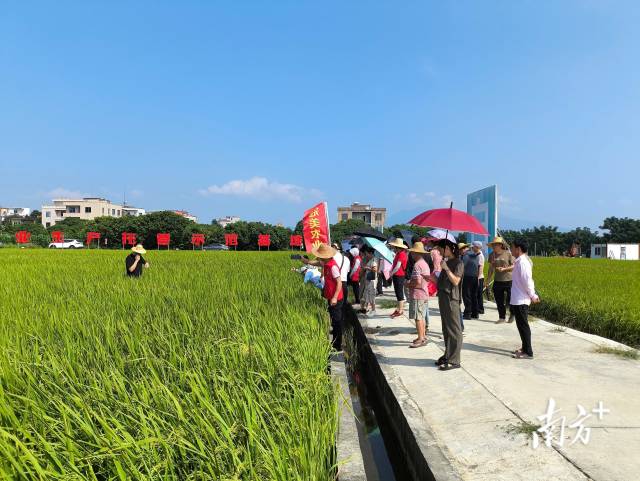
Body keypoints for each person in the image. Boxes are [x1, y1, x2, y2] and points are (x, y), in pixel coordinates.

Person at [431, 239, 464, 370]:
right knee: (446, 328)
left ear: (448, 249)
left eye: (440, 249)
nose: (439, 252)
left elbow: (455, 281)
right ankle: (448, 354)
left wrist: (446, 268)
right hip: (443, 297)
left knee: (454, 330)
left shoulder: (458, 263)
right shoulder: (446, 262)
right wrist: (432, 278)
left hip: (451, 299)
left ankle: (455, 360)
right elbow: (443, 280)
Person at [510, 240, 540, 359]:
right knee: (520, 325)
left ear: (518, 249)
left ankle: (528, 352)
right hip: (517, 299)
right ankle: (524, 347)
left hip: (522, 299)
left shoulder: (523, 263)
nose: (511, 250)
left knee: (523, 326)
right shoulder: (518, 262)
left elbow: (527, 281)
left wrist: (533, 296)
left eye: (512, 247)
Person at [312, 243, 345, 351]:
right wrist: (306, 261)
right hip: (330, 296)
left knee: (337, 322)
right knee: (334, 319)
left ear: (325, 256)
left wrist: (335, 297)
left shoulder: (332, 266)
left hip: (336, 298)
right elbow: (318, 263)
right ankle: (335, 341)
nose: (319, 257)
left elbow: (339, 283)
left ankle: (337, 345)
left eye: (320, 255)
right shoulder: (326, 263)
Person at [407, 242, 430, 348]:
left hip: (418, 294)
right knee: (422, 316)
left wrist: (407, 284)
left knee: (418, 317)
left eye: (412, 252)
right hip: (424, 293)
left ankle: (421, 338)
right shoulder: (424, 263)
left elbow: (417, 282)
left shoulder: (417, 265)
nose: (411, 254)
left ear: (416, 253)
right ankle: (423, 336)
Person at [487, 236, 515, 324]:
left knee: (511, 300)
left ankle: (512, 314)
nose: (494, 246)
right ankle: (502, 317)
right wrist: (487, 280)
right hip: (498, 280)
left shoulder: (508, 253)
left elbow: (514, 266)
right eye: (493, 245)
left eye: (496, 245)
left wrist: (504, 269)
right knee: (499, 300)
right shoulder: (492, 255)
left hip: (509, 280)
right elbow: (491, 269)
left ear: (500, 245)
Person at [388, 238, 409, 318]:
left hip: (399, 275)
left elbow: (398, 266)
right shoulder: (398, 253)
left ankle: (400, 310)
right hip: (397, 275)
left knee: (399, 293)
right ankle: (398, 308)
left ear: (398, 247)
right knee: (397, 292)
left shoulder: (402, 254)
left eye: (394, 247)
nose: (393, 248)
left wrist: (391, 273)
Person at [461, 242, 481, 320]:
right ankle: (475, 313)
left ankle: (467, 313)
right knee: (474, 295)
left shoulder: (466, 255)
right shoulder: (476, 256)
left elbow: (462, 266)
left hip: (467, 277)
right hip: (475, 277)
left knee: (466, 295)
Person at [359, 246, 378, 315]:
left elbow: (375, 269)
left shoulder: (373, 260)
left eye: (367, 253)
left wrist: (367, 268)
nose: (366, 255)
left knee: (371, 296)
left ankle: (373, 310)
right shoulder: (367, 259)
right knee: (367, 296)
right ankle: (367, 309)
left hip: (371, 281)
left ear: (370, 253)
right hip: (368, 280)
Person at [474, 241, 485, 314]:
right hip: (476, 277)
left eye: (473, 246)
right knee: (476, 293)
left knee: (479, 294)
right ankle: (477, 308)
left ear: (477, 247)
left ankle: (480, 309)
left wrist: (477, 278)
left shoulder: (480, 255)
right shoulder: (476, 254)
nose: (472, 248)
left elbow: (480, 267)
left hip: (479, 277)